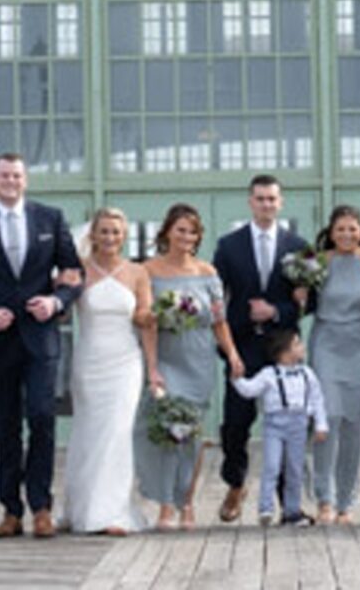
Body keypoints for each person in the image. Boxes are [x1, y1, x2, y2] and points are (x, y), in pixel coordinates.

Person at [0, 152, 83, 539]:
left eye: (18, 175)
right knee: (6, 426)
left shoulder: (50, 218)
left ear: (26, 180)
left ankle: (41, 506)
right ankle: (11, 510)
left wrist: (56, 302)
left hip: (39, 337)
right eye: (5, 175)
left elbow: (74, 275)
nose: (11, 181)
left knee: (42, 418)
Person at [139, 203, 245, 529]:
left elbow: (219, 321)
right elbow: (148, 324)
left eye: (192, 231)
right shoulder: (149, 271)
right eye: (180, 229)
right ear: (168, 231)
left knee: (192, 436)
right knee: (168, 432)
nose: (186, 236)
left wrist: (233, 355)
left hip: (198, 359)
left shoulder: (208, 272)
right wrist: (152, 367)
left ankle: (186, 502)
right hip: (166, 358)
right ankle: (165, 506)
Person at [212, 174, 306, 523]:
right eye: (260, 198)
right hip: (242, 344)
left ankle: (288, 500)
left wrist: (279, 310)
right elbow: (215, 296)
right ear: (250, 202)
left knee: (287, 423)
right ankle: (236, 483)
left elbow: (307, 302)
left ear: (280, 202)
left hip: (282, 348)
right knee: (236, 421)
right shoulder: (229, 245)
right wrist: (224, 342)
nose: (267, 204)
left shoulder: (299, 246)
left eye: (272, 199)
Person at [62, 208, 156, 536]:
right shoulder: (79, 271)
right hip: (89, 361)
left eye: (116, 232)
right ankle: (81, 507)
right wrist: (58, 287)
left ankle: (112, 511)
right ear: (93, 235)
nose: (110, 238)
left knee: (117, 433)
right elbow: (61, 312)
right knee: (89, 432)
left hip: (125, 362)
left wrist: (153, 368)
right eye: (104, 231)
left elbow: (146, 320)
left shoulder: (137, 272)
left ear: (124, 235)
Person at [306, 205, 360, 526]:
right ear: (330, 233)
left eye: (353, 229)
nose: (347, 235)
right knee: (327, 420)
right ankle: (324, 497)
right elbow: (303, 300)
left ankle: (347, 502)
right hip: (327, 342)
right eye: (341, 229)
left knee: (354, 423)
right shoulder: (318, 263)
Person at [230, 328, 329, 527]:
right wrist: (237, 379)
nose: (302, 347)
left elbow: (317, 399)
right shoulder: (268, 374)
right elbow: (250, 390)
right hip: (274, 424)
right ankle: (266, 507)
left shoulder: (307, 374)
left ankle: (292, 510)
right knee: (272, 466)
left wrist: (320, 423)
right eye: (297, 344)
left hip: (298, 423)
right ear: (284, 352)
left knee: (295, 468)